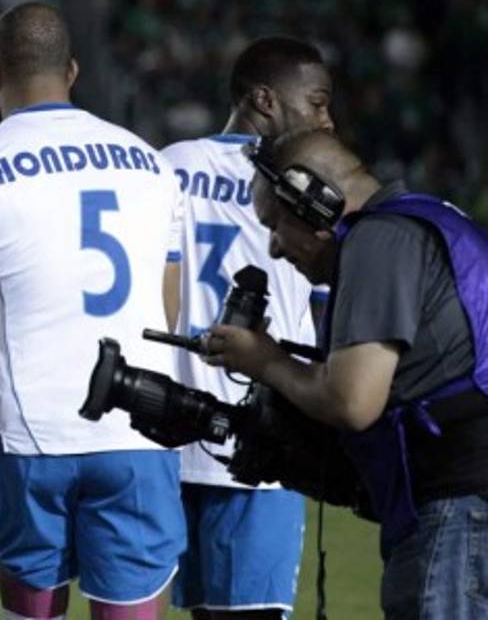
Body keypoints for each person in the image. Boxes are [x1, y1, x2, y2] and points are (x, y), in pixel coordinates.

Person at [0, 2, 186, 620]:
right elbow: (171, 312)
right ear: (71, 71)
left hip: (29, 437)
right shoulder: (151, 165)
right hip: (136, 428)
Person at [207, 128, 488, 620]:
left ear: (314, 203)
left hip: (458, 506)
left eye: (275, 224)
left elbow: (352, 402)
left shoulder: (378, 238)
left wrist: (265, 361)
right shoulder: (432, 222)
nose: (273, 248)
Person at [163, 36, 333, 620]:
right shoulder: (308, 187)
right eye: (315, 103)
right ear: (265, 100)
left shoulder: (169, 165)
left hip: (169, 430)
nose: (325, 120)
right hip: (264, 438)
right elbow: (325, 314)